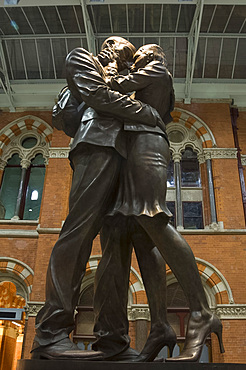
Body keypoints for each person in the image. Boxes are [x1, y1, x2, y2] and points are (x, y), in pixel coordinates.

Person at [31, 37, 171, 361]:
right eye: (124, 51)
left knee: (117, 248)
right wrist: (146, 113)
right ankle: (50, 334)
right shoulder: (82, 59)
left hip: (125, 156)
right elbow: (95, 97)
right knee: (77, 234)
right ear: (108, 46)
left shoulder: (123, 79)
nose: (127, 58)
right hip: (96, 145)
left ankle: (113, 340)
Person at [94, 44, 224, 362]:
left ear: (153, 55)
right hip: (135, 146)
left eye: (139, 54)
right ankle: (160, 327)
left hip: (148, 145)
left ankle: (203, 312)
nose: (134, 57)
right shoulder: (150, 78)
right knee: (141, 232)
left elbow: (112, 88)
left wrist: (110, 67)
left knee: (152, 217)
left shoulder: (155, 70)